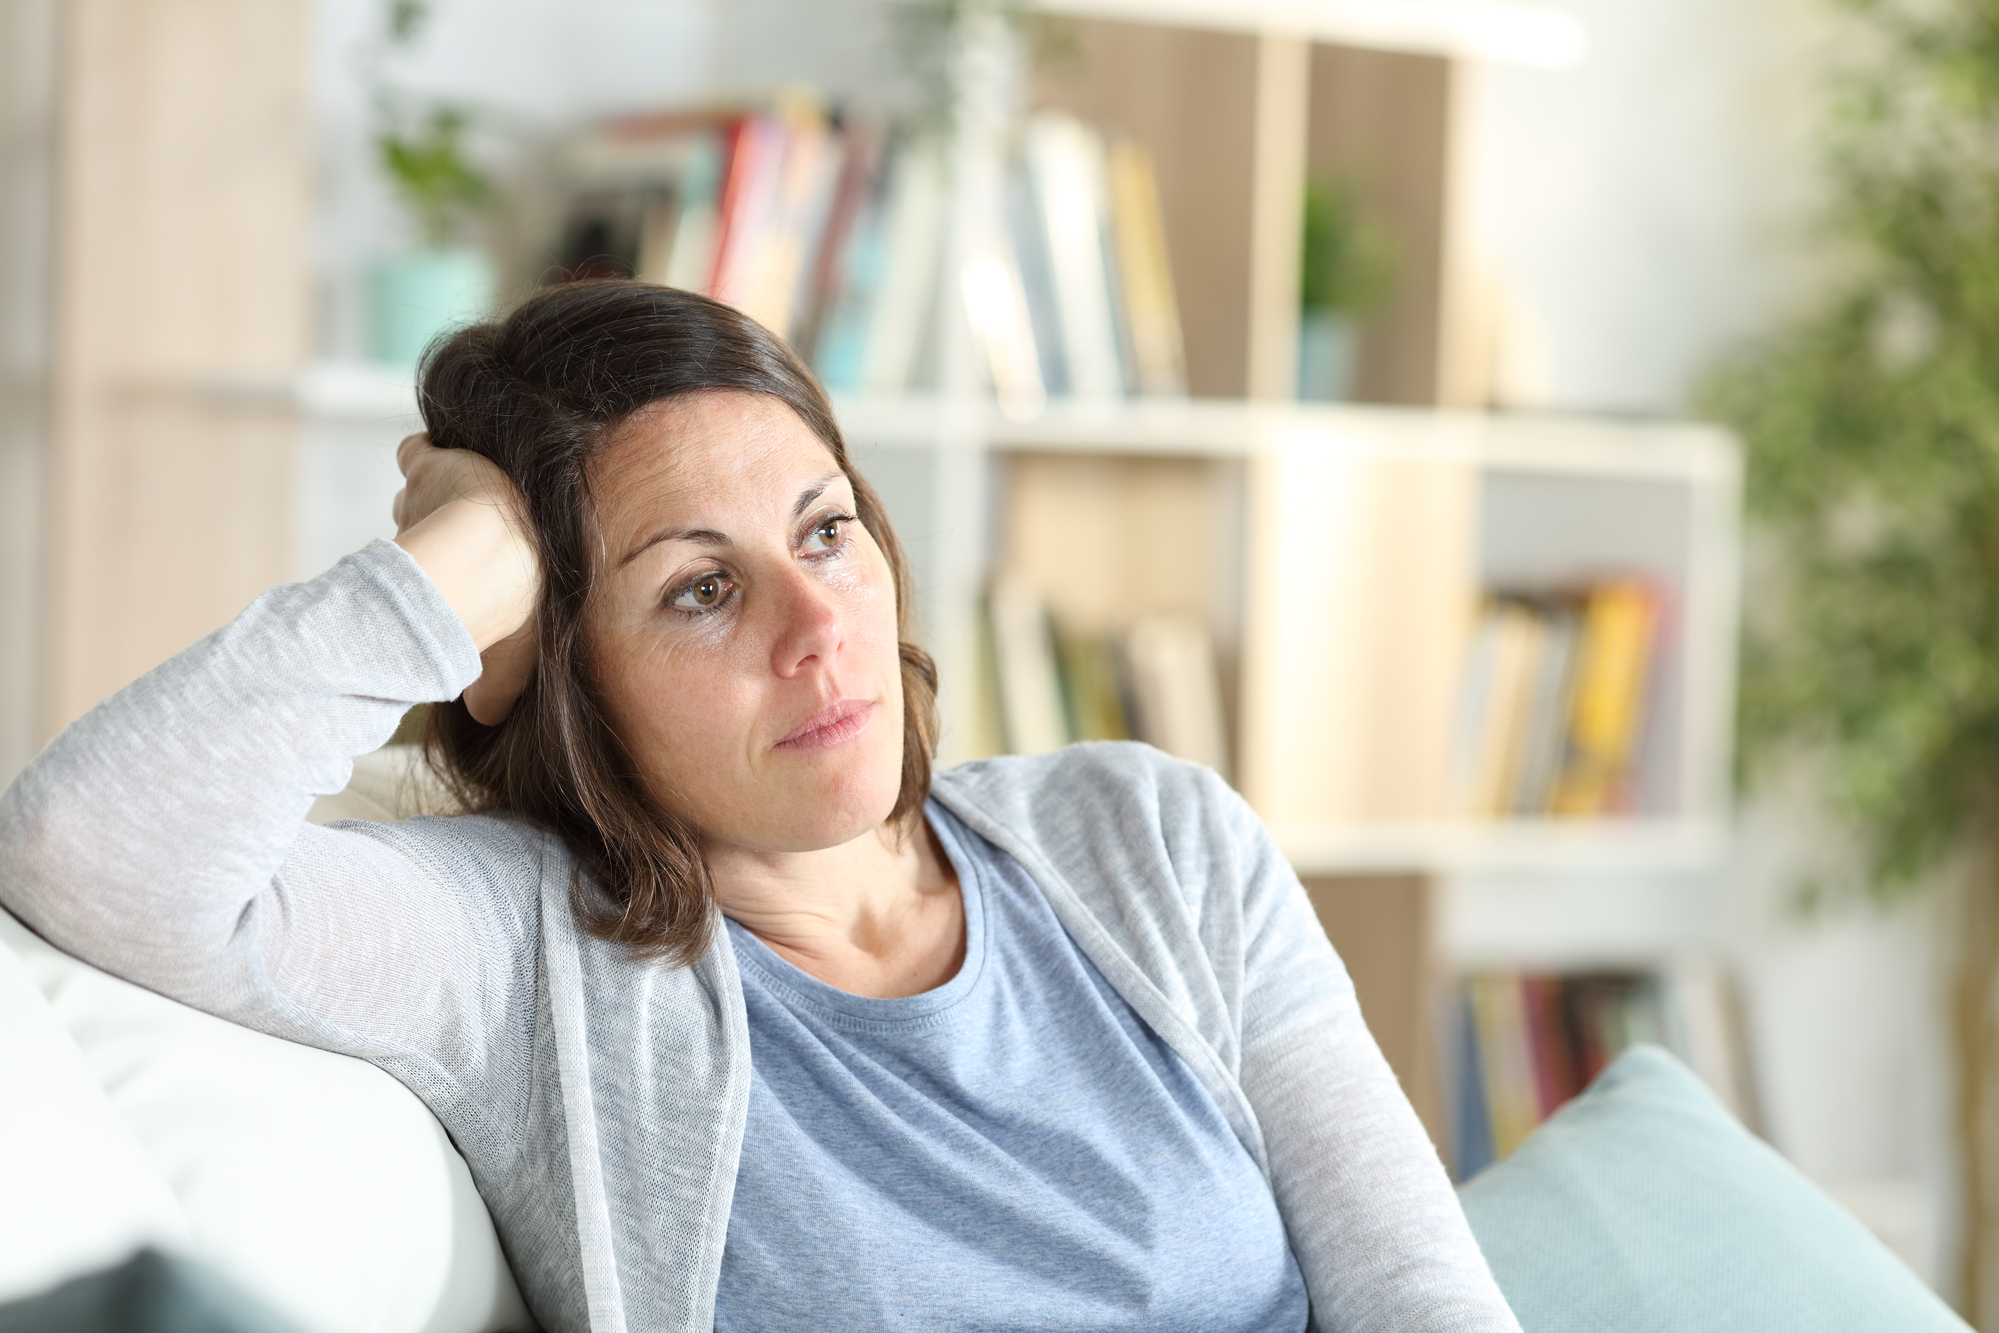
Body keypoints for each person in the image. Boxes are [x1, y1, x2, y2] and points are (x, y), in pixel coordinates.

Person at [0, 281, 1519, 1333]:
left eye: (828, 529)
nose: (817, 625)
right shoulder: (527, 945)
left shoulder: (1153, 838)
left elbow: (1425, 1298)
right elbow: (90, 844)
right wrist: (449, 572)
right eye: (702, 587)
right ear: (555, 668)